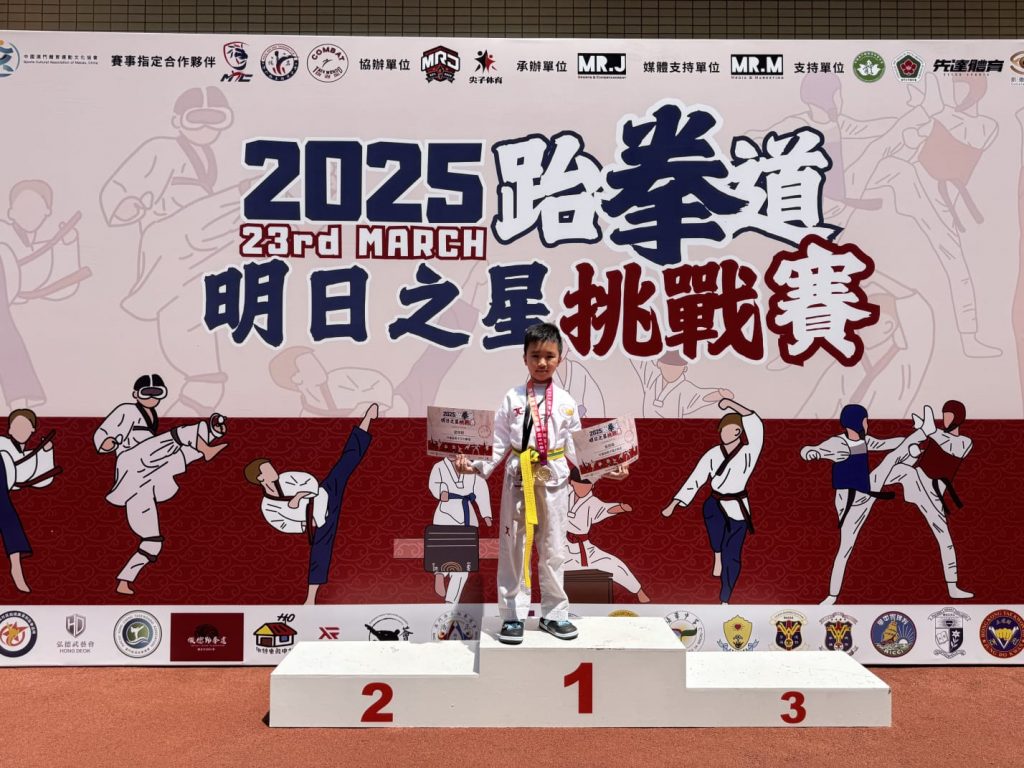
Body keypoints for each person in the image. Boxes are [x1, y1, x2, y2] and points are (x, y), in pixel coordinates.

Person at [454, 322, 627, 645]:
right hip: (519, 478)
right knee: (514, 549)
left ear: (560, 358)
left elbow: (577, 450)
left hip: (555, 479)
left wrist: (605, 470)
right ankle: (513, 616)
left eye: (549, 356)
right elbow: (498, 442)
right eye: (535, 356)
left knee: (554, 549)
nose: (542, 362)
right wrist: (473, 466)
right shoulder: (512, 398)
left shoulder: (566, 401)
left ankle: (554, 614)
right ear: (525, 358)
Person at [94, 374, 228, 595]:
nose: (151, 397)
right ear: (135, 394)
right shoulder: (127, 410)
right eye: (146, 393)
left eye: (157, 393)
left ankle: (124, 581)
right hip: (132, 461)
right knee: (171, 441)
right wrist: (108, 442)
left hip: (144, 480)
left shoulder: (151, 416)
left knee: (152, 541)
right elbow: (103, 435)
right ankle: (206, 442)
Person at [245, 403, 376, 605]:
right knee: (319, 553)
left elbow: (309, 481)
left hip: (325, 495)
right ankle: (311, 598)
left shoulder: (285, 479)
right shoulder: (267, 506)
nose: (274, 470)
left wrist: (301, 496)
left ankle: (367, 420)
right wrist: (306, 523)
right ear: (261, 478)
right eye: (268, 469)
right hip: (315, 521)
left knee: (345, 463)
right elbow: (283, 524)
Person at [801, 403, 910, 605]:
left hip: (867, 491)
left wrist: (908, 440)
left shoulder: (864, 441)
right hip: (850, 501)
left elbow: (885, 443)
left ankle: (915, 456)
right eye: (865, 421)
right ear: (858, 422)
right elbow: (811, 450)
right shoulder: (838, 444)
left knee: (897, 464)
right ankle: (832, 595)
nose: (868, 425)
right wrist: (812, 453)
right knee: (846, 547)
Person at [661, 399, 763, 604]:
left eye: (730, 429)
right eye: (723, 430)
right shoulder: (713, 453)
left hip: (737, 506)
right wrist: (674, 504)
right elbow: (696, 478)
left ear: (739, 432)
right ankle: (717, 555)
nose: (725, 433)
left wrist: (732, 404)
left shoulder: (749, 451)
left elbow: (756, 424)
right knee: (716, 535)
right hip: (714, 502)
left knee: (732, 554)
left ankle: (725, 597)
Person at [880, 401, 973, 599]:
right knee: (903, 470)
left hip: (933, 494)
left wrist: (930, 430)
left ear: (958, 418)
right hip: (918, 480)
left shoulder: (964, 442)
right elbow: (925, 458)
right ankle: (869, 483)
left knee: (944, 538)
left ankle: (952, 586)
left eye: (949, 415)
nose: (945, 418)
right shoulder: (937, 437)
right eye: (944, 414)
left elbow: (951, 447)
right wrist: (914, 452)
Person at [564, 466, 648, 603]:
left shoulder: (592, 502)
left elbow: (605, 509)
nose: (583, 490)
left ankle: (638, 591)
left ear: (592, 486)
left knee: (613, 563)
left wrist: (620, 507)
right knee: (550, 566)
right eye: (580, 486)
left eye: (587, 487)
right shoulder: (565, 493)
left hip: (584, 548)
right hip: (563, 546)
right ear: (572, 483)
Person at [0, 409, 60, 592]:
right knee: (6, 512)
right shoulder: (2, 443)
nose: (20, 430)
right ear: (9, 430)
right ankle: (16, 567)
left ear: (32, 429)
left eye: (25, 426)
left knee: (5, 512)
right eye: (16, 426)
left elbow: (40, 480)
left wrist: (46, 453)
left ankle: (16, 566)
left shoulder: (29, 454)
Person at [428, 456, 492, 604]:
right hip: (445, 513)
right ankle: (440, 573)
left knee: (464, 565)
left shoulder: (472, 466)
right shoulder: (439, 466)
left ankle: (451, 601)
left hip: (467, 515)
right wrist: (441, 491)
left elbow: (481, 488)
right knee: (444, 549)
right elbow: (434, 483)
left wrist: (486, 514)